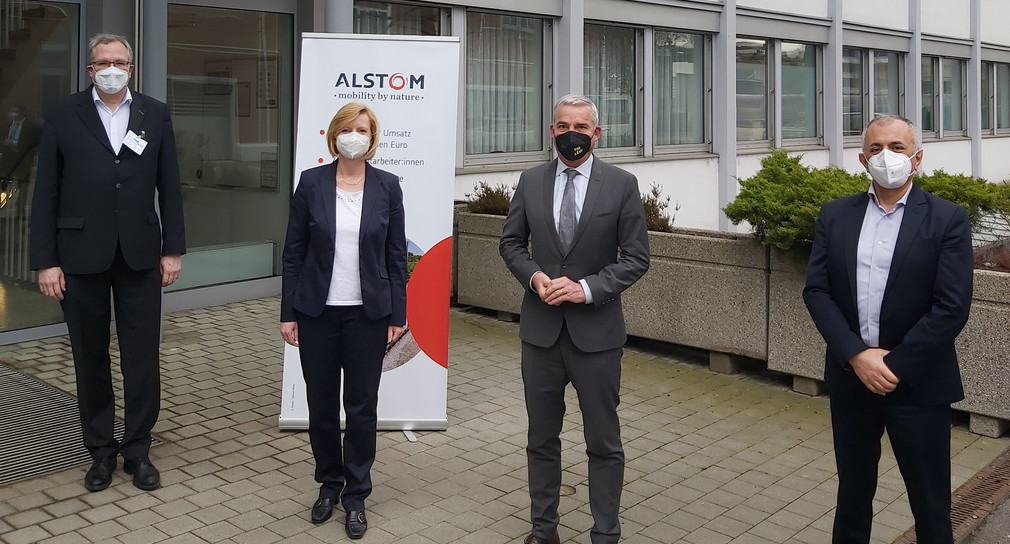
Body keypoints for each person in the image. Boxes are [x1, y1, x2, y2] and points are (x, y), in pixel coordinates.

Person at [803, 115, 974, 544]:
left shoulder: (947, 219)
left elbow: (951, 308)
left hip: (918, 384)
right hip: (852, 381)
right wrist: (858, 357)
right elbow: (817, 291)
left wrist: (892, 365)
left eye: (897, 147)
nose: (887, 157)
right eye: (877, 149)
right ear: (863, 160)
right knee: (853, 498)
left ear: (916, 158)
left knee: (931, 505)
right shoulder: (836, 215)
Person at [29, 33, 185, 492]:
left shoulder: (153, 114)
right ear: (90, 70)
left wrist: (172, 249)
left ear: (131, 69)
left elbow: (170, 185)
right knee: (89, 357)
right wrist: (46, 261)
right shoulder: (63, 114)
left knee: (142, 359)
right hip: (79, 258)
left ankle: (137, 449)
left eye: (120, 61)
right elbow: (46, 194)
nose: (111, 68)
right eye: (103, 62)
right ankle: (100, 450)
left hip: (140, 256)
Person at [499, 94, 650, 544]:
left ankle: (606, 533)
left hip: (597, 337)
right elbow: (511, 245)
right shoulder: (530, 181)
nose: (572, 134)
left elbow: (636, 258)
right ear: (551, 131)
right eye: (563, 125)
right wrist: (534, 279)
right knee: (541, 440)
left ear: (596, 133)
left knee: (604, 443)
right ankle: (543, 531)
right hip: (540, 335)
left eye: (581, 127)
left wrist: (586, 289)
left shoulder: (621, 184)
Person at [280, 102, 406, 540]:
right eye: (347, 128)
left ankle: (356, 496)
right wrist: (288, 312)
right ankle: (328, 485)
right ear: (333, 134)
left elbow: (395, 256)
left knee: (361, 408)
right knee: (321, 407)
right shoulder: (311, 183)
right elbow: (293, 251)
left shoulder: (388, 186)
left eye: (363, 129)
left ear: (373, 138)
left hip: (368, 315)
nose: (355, 135)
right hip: (316, 313)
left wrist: (398, 314)